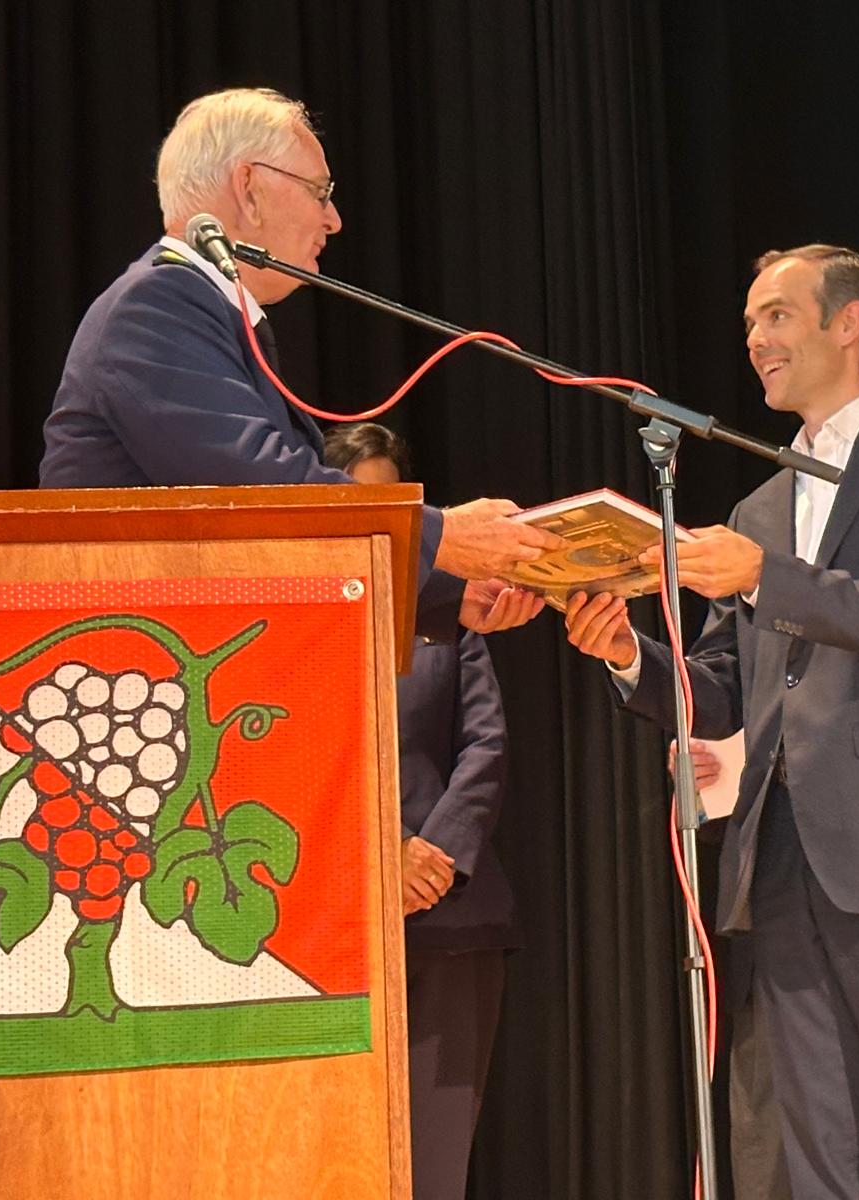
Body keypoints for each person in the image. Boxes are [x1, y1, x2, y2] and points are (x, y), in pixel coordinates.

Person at [566, 245, 859, 1199]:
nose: (756, 340)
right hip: (780, 861)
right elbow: (725, 688)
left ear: (848, 323)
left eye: (776, 316)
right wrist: (627, 655)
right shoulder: (759, 507)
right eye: (749, 325)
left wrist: (765, 578)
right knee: (823, 1157)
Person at [38, 87, 558, 637]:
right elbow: (255, 488)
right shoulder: (155, 305)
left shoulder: (202, 306)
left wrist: (449, 591)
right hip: (130, 653)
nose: (333, 219)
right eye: (319, 191)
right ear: (248, 188)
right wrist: (444, 537)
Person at [325, 423, 519, 1200]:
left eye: (389, 507)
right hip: (328, 930)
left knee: (435, 1170)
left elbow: (486, 744)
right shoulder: (286, 626)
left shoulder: (444, 617)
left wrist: (431, 861)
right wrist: (383, 854)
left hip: (448, 920)